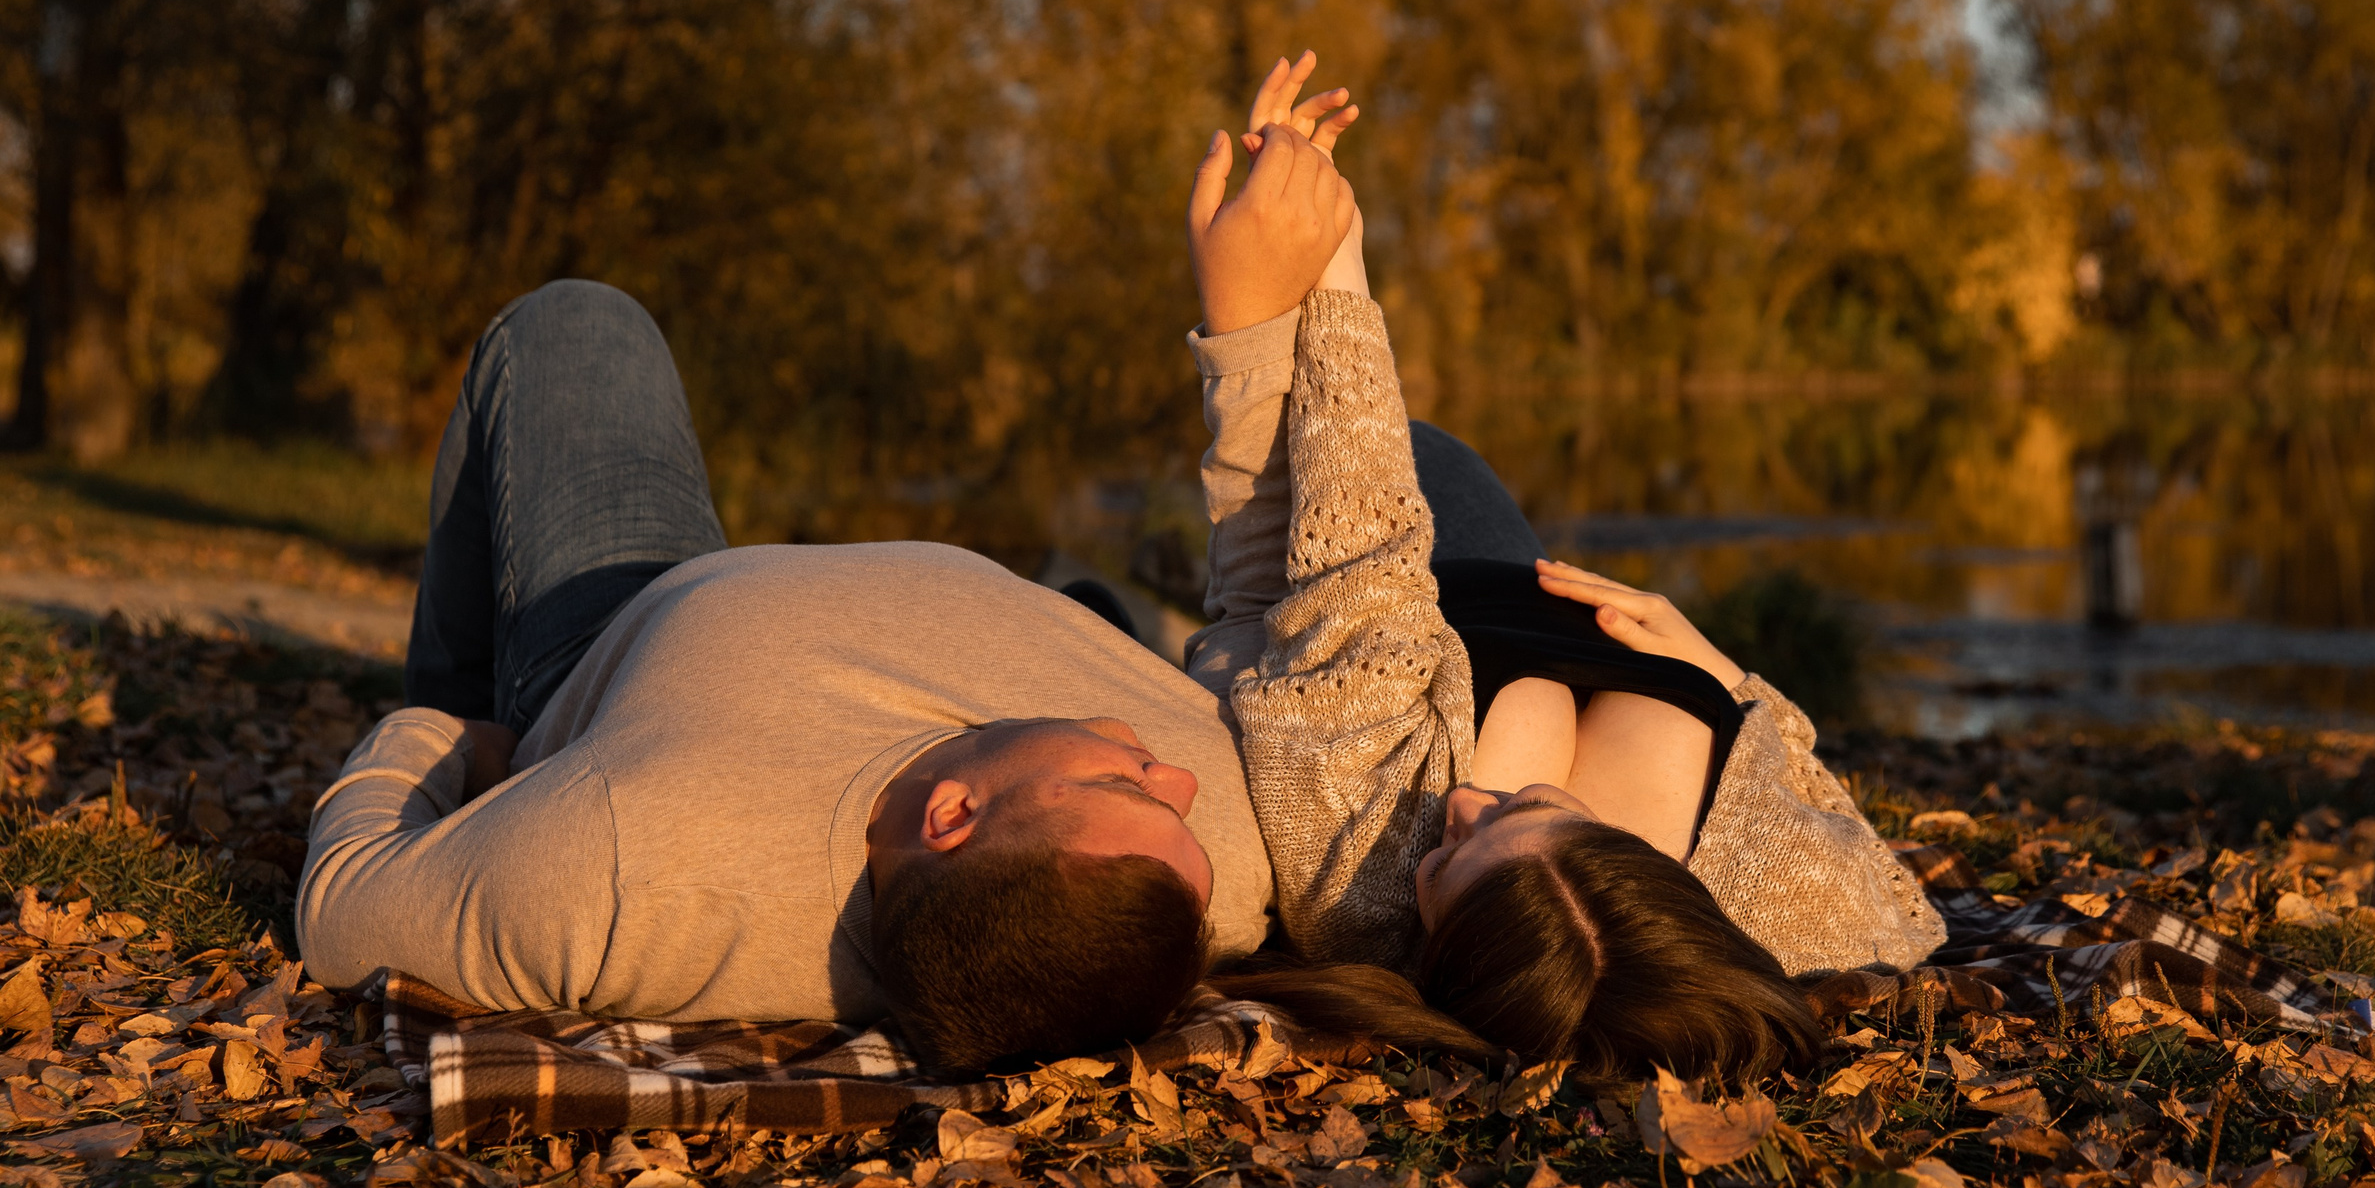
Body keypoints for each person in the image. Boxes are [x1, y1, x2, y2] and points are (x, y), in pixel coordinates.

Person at [296, 115, 1363, 1072]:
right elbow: (1260, 610)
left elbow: (344, 912)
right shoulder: (1200, 874)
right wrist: (1267, 312)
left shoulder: (624, 865)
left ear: (951, 817)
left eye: (1129, 790)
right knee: (1102, 598)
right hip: (1028, 618)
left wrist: (438, 743)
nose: (1175, 775)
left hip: (629, 620)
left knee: (576, 325)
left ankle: (474, 694)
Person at [1180, 55, 1943, 1082]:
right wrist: (1728, 677)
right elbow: (1880, 876)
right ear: (1653, 887)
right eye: (1521, 811)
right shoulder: (1816, 921)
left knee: (1383, 450)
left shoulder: (1357, 882)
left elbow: (1330, 568)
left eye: (1446, 866)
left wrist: (1306, 282)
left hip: (1390, 598)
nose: (1460, 813)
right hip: (1512, 572)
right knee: (1424, 454)